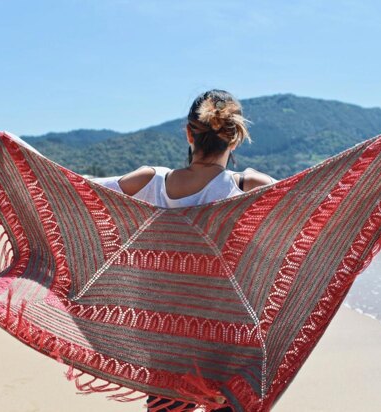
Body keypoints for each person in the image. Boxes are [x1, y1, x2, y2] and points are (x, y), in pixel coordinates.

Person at [97, 89, 278, 411]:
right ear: (235, 139)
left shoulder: (149, 181)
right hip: (228, 332)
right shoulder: (248, 186)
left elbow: (75, 190)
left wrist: (13, 149)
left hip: (166, 333)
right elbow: (322, 208)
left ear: (188, 133)